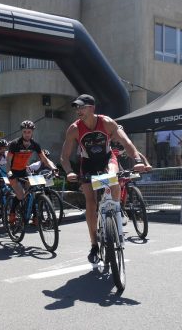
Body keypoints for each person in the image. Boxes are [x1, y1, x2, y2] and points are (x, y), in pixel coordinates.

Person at [60, 94, 145, 264]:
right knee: (90, 203)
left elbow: (126, 142)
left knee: (113, 176)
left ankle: (116, 209)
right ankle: (93, 245)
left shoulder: (106, 122)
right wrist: (69, 172)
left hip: (107, 159)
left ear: (92, 108)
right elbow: (64, 156)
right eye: (77, 108)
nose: (78, 110)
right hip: (88, 164)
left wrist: (136, 159)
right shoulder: (74, 128)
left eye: (82, 107)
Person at [6, 120, 57, 224]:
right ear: (22, 132)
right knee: (20, 195)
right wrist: (9, 172)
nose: (27, 134)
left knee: (31, 192)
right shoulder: (15, 144)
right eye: (24, 132)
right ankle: (12, 213)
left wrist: (53, 168)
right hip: (13, 172)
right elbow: (8, 160)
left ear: (32, 132)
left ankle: (34, 216)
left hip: (24, 171)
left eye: (29, 132)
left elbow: (44, 159)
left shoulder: (35, 145)